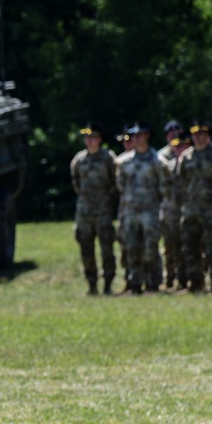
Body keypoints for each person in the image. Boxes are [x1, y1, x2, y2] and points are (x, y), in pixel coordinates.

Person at [177, 120, 212, 293]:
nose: (198, 138)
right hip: (191, 210)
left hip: (211, 211)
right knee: (190, 248)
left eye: (202, 134)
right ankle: (195, 283)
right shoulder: (186, 156)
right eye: (195, 134)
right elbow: (182, 181)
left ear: (208, 136)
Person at [115, 121, 167, 294]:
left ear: (147, 136)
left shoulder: (158, 161)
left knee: (151, 248)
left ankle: (154, 283)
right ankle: (135, 283)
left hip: (150, 211)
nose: (136, 139)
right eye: (133, 136)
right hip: (130, 211)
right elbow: (120, 185)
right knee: (132, 248)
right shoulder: (124, 162)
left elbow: (165, 187)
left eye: (139, 135)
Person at [70, 121, 118, 294]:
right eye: (86, 137)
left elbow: (115, 183)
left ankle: (108, 284)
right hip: (84, 213)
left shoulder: (108, 158)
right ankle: (92, 284)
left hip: (103, 211)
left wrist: (105, 200)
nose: (89, 141)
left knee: (107, 250)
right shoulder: (79, 160)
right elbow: (76, 184)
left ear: (99, 139)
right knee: (86, 250)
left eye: (92, 137)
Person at [157, 120, 188, 289]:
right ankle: (169, 278)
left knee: (187, 245)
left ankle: (185, 279)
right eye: (170, 132)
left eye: (177, 131)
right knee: (170, 246)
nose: (174, 134)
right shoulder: (162, 156)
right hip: (169, 208)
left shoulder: (189, 152)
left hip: (187, 206)